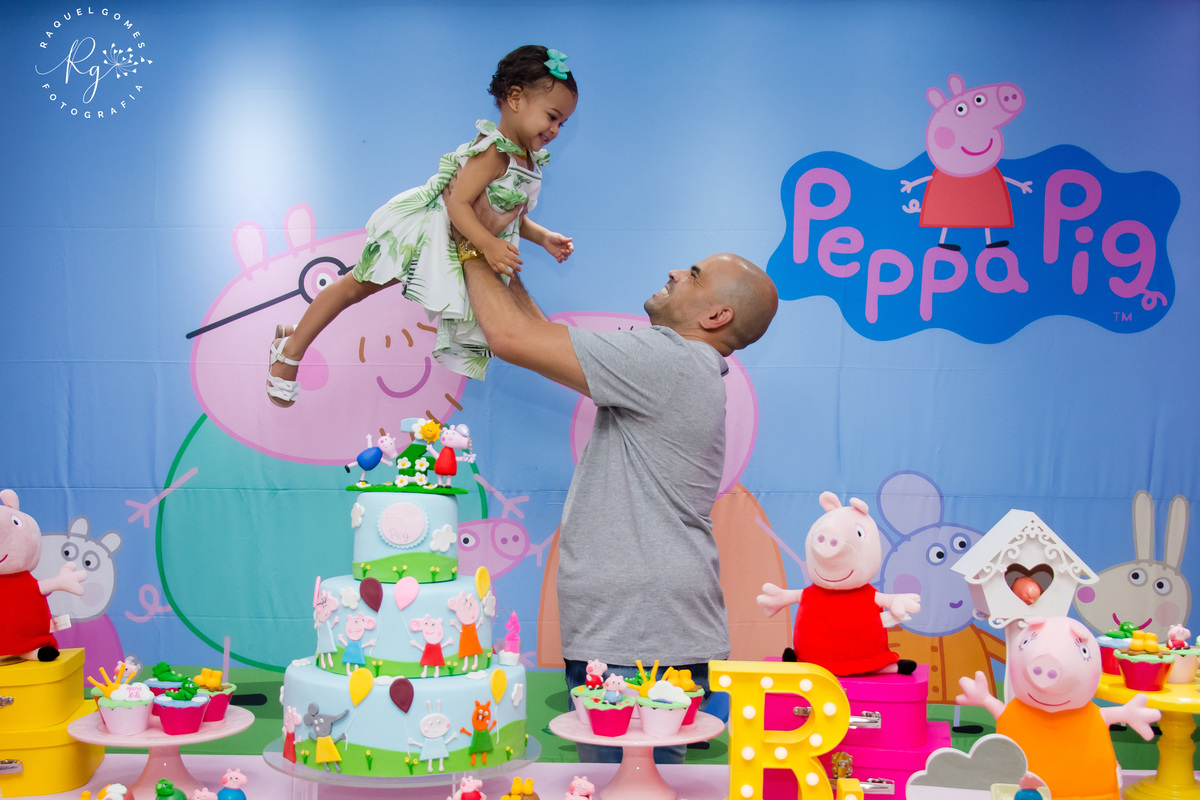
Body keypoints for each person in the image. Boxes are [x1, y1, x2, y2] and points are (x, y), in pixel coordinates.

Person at [463, 252, 778, 763]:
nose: (675, 272)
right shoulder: (680, 367)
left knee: (625, 785)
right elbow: (543, 340)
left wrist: (469, 245)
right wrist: (502, 261)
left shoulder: (669, 359)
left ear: (716, 316)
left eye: (694, 275)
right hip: (642, 631)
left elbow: (509, 336)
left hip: (635, 635)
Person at [265, 45, 578, 406]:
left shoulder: (528, 160)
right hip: (427, 231)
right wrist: (487, 244)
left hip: (460, 243)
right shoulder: (494, 152)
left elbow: (507, 214)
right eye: (551, 116)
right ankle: (291, 348)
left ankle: (297, 335)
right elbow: (458, 204)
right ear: (515, 98)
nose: (555, 130)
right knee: (356, 286)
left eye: (561, 123)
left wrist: (543, 237)